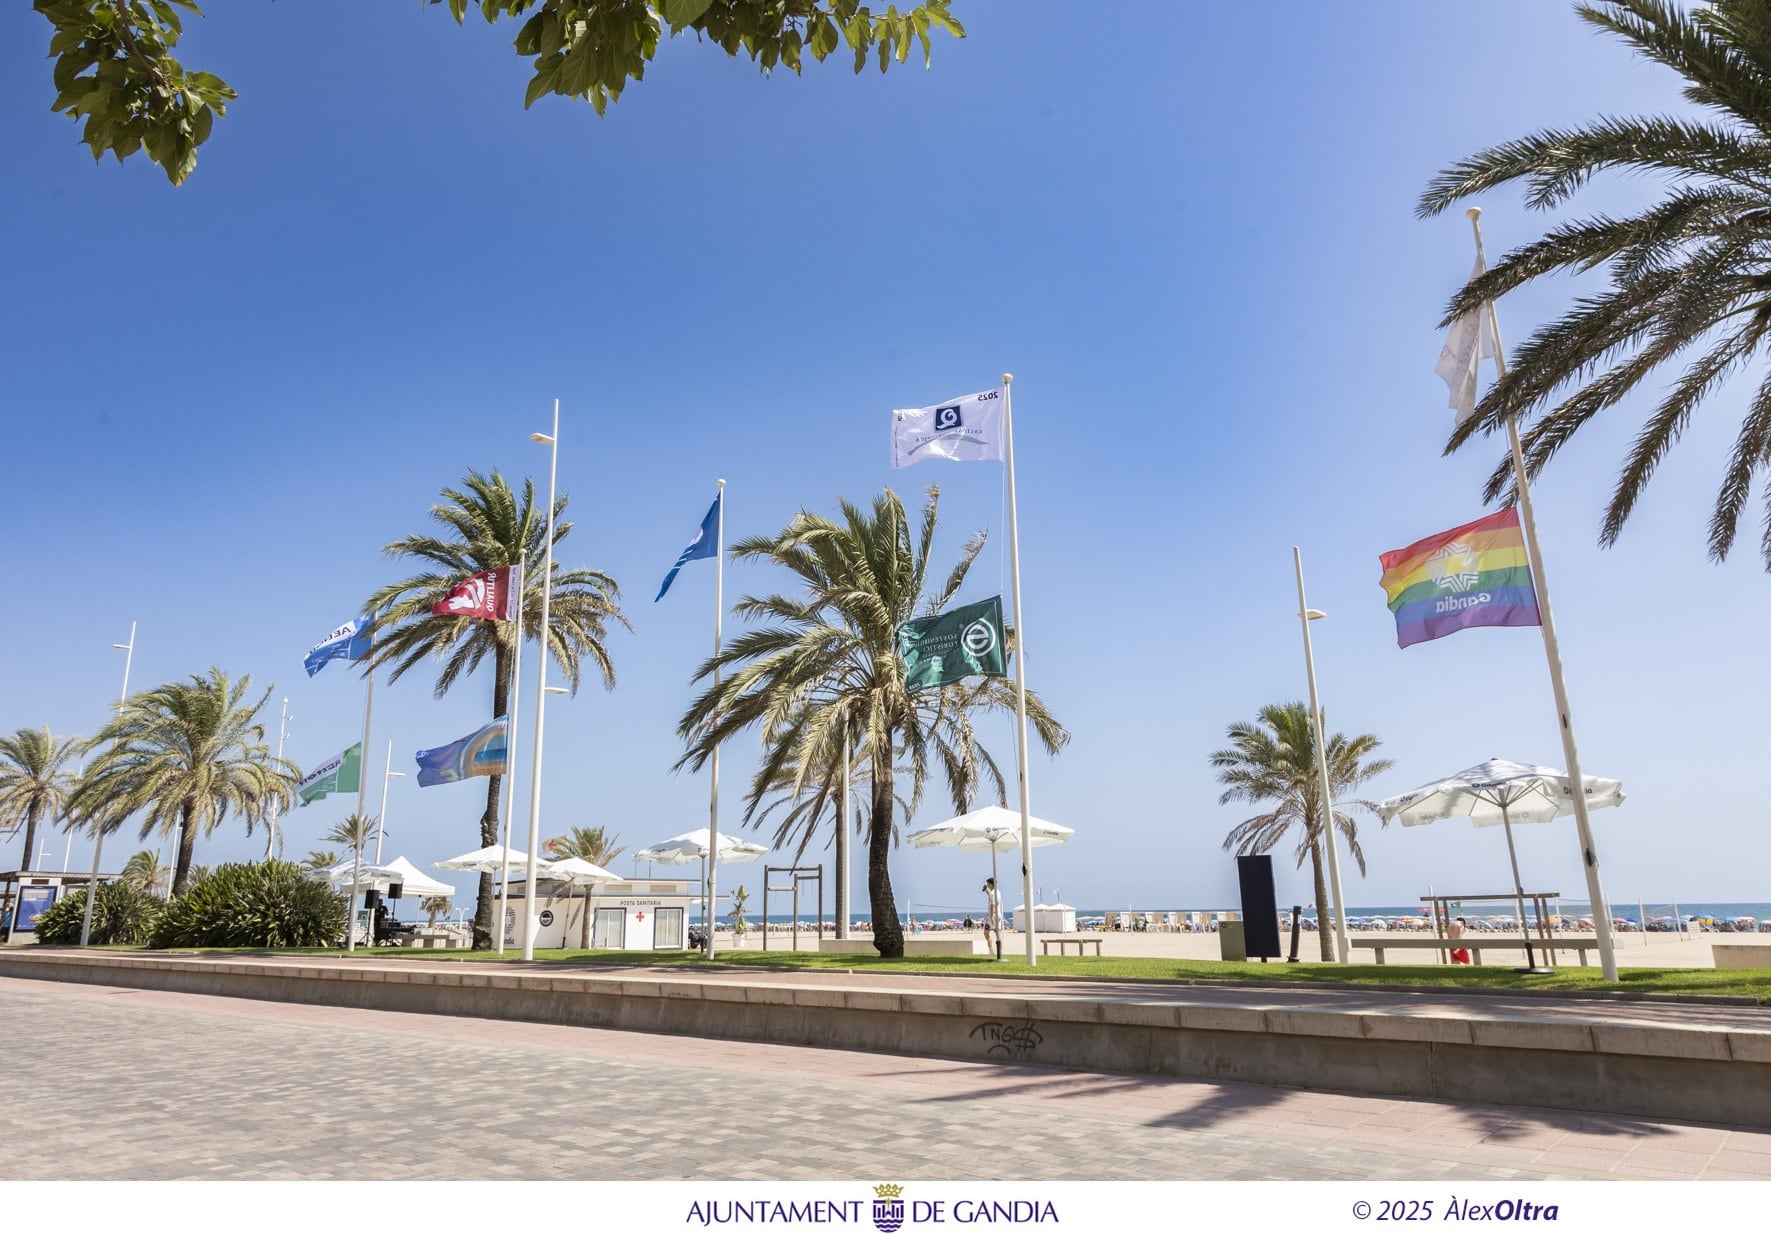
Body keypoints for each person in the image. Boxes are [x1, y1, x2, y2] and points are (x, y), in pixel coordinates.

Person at [982, 877, 1003, 961]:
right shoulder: (998, 892)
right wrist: (986, 891)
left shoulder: (992, 894)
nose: (987, 885)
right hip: (998, 915)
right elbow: (992, 896)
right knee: (998, 935)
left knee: (986, 933)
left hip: (992, 916)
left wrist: (991, 916)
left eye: (988, 884)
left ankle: (991, 950)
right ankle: (1000, 952)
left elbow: (992, 905)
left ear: (991, 884)